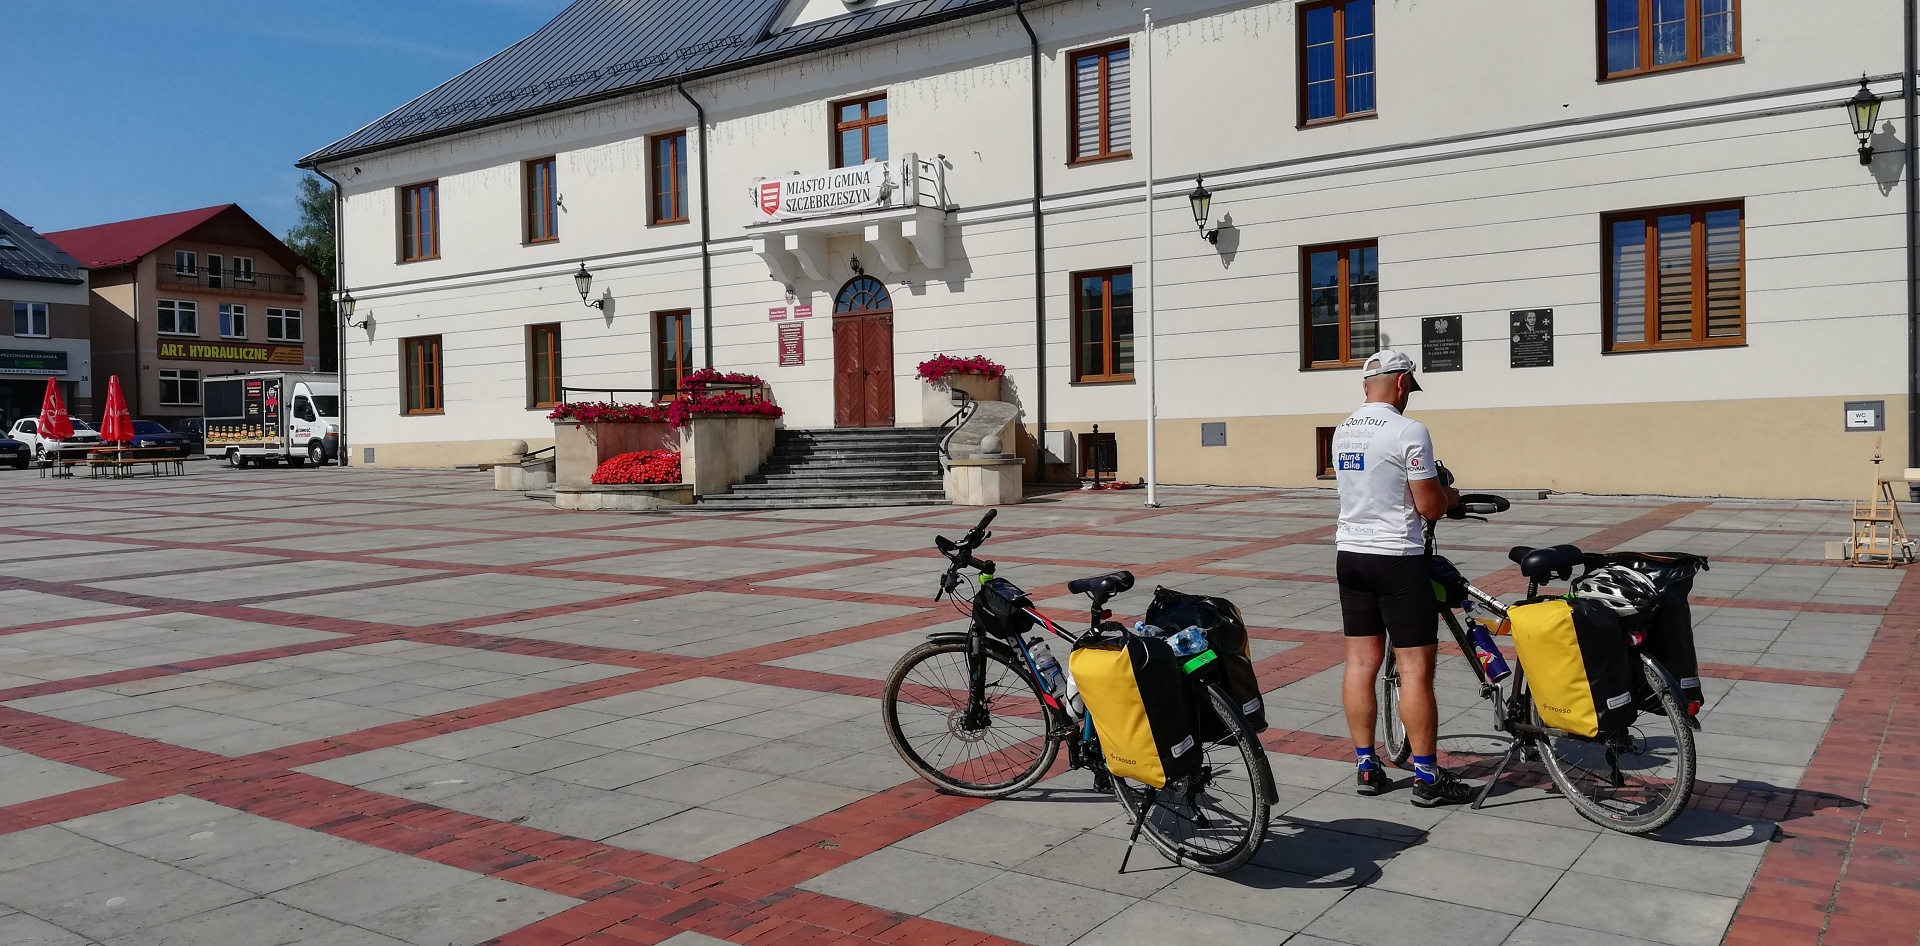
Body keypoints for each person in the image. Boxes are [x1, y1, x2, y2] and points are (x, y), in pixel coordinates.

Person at [1332, 349, 1472, 807]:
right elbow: (1429, 505)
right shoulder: (1409, 430)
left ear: (1364, 386)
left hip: (1350, 554)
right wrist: (1451, 496)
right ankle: (1427, 778)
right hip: (1396, 557)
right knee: (1415, 669)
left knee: (1360, 664)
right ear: (1400, 383)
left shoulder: (1342, 430)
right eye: (1409, 387)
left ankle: (1366, 765)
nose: (1408, 394)